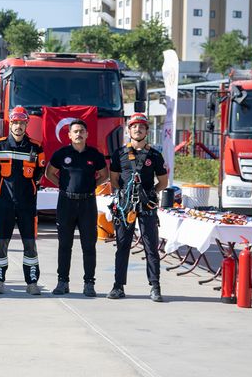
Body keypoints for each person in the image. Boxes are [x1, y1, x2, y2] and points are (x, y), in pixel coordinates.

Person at [45, 119, 108, 297]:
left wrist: (91, 186)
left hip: (87, 204)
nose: (78, 134)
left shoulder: (94, 155)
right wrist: (63, 186)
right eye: (75, 131)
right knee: (65, 245)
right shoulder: (61, 154)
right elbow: (49, 173)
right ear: (69, 135)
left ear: (87, 134)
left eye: (81, 131)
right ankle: (62, 282)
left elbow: (104, 175)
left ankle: (89, 283)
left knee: (89, 245)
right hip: (66, 203)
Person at [109, 113, 168, 302]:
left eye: (141, 126)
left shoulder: (155, 155)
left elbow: (163, 182)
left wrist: (150, 194)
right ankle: (118, 286)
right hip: (125, 206)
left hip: (146, 206)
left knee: (151, 247)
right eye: (134, 126)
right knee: (122, 246)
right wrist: (125, 196)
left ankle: (155, 286)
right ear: (128, 130)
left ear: (147, 131)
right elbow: (114, 180)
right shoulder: (119, 154)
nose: (138, 129)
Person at [0, 106, 47, 295]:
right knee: (1, 243)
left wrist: (29, 188)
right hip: (4, 203)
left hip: (27, 204)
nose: (18, 126)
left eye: (22, 123)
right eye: (15, 123)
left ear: (26, 124)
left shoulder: (36, 147)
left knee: (29, 244)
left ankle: (32, 282)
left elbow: (40, 171)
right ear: (10, 124)